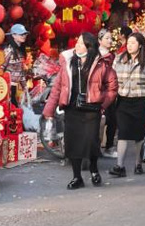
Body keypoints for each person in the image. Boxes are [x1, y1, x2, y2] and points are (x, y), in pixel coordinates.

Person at [43, 32, 118, 190]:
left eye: (81, 43)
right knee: (73, 144)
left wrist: (101, 103)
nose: (77, 46)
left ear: (89, 47)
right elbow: (57, 88)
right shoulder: (68, 63)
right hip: (72, 109)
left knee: (91, 141)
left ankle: (93, 169)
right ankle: (77, 177)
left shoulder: (101, 64)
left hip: (92, 110)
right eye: (77, 43)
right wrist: (49, 110)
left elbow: (112, 87)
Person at [109, 33, 145, 177]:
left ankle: (138, 164)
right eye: (128, 43)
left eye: (133, 43)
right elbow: (112, 80)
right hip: (123, 101)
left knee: (139, 135)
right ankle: (120, 166)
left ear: (140, 45)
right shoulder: (119, 59)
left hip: (140, 101)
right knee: (123, 133)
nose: (129, 46)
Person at [98, 29, 117, 158]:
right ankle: (97, 147)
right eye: (107, 38)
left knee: (112, 120)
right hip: (99, 92)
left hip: (111, 92)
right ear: (99, 40)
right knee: (99, 121)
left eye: (111, 38)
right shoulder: (95, 55)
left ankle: (109, 146)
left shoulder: (113, 56)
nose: (110, 41)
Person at [4, 24, 29, 107]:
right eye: (21, 34)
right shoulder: (9, 50)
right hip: (6, 87)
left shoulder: (19, 51)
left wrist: (24, 86)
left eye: (25, 34)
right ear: (14, 35)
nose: (24, 36)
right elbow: (0, 67)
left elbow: (20, 70)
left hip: (14, 86)